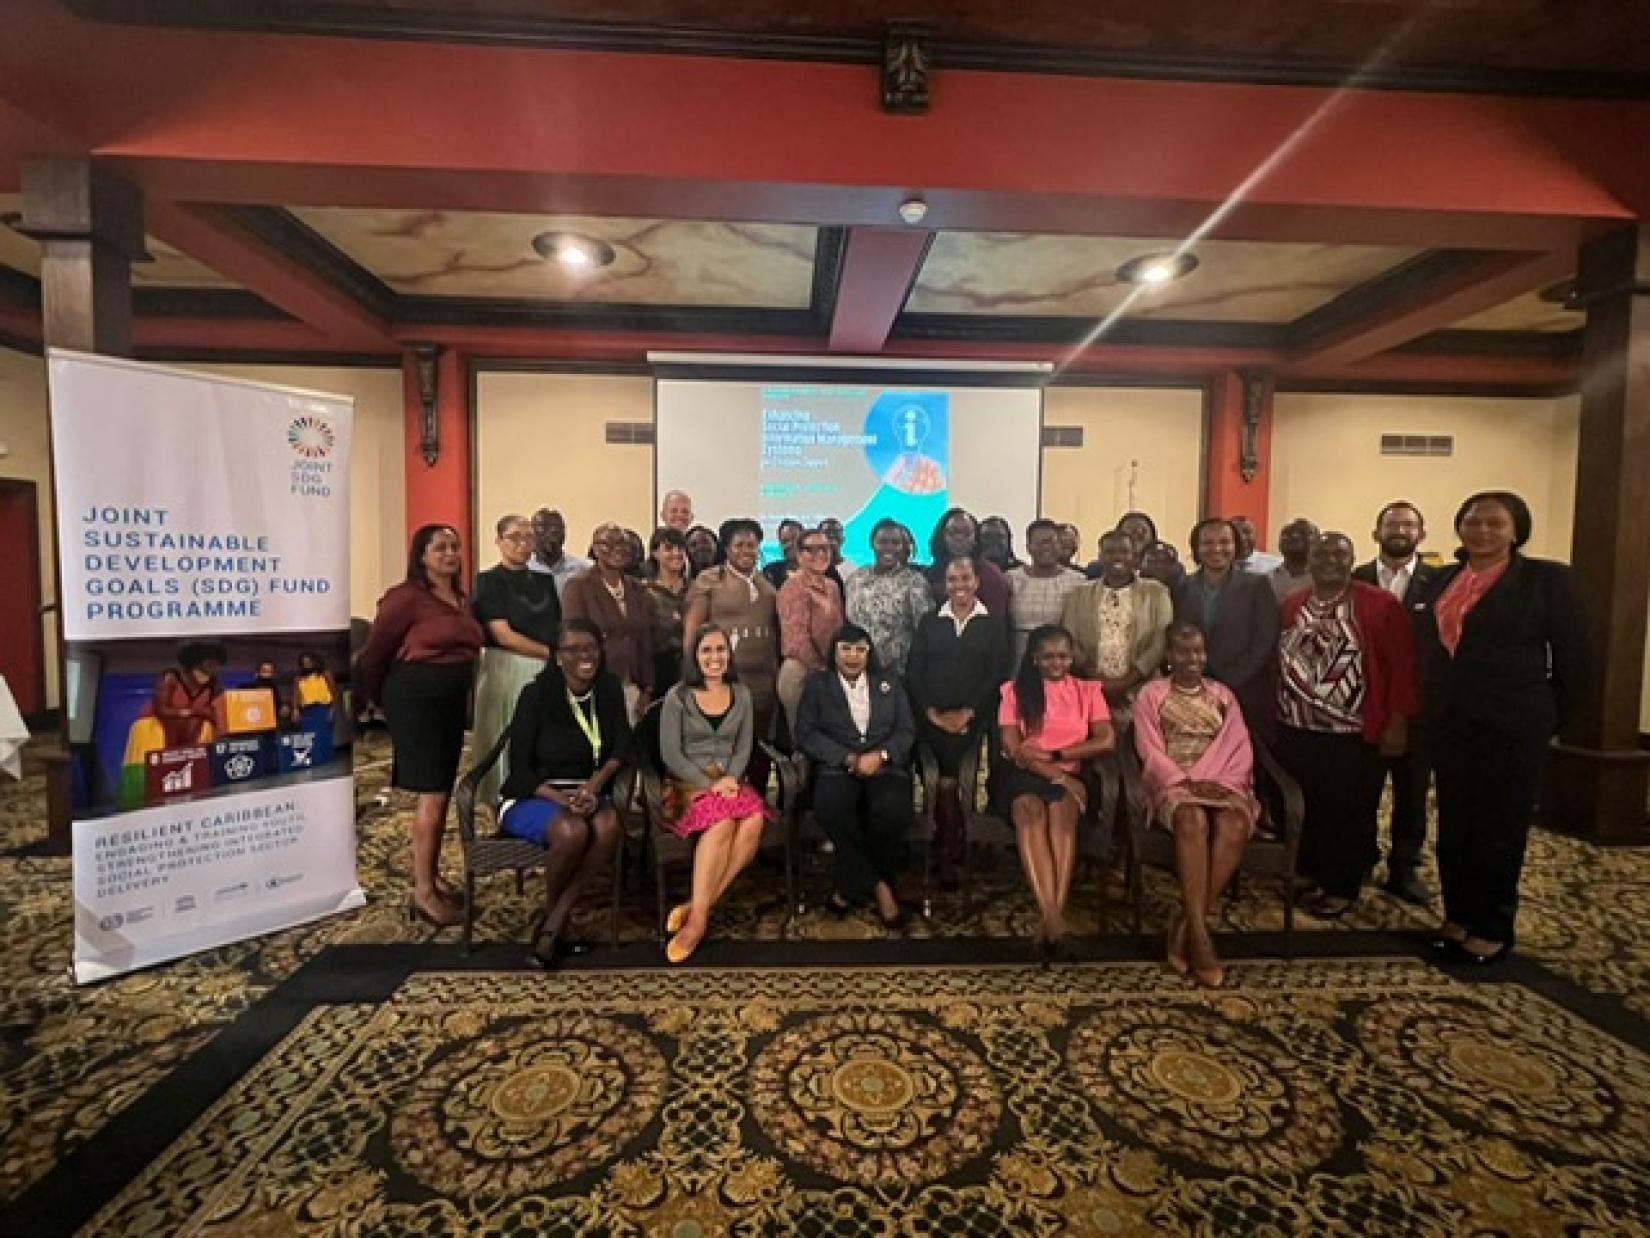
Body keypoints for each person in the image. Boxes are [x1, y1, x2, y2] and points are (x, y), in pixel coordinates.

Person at [1418, 491, 1590, 966]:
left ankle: (1492, 927)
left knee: (1500, 827)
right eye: (1473, 522)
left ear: (1516, 530)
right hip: (1453, 723)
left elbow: (1576, 659)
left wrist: (1550, 718)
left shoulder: (1546, 581)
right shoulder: (1445, 579)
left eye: (1495, 523)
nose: (1482, 531)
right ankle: (1457, 916)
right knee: (1456, 824)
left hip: (1513, 724)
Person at [1275, 532, 1418, 919]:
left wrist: (1398, 721)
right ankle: (1312, 870)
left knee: (1350, 808)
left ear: (1353, 559)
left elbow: (1402, 666)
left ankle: (1343, 884)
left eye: (1340, 554)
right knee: (1310, 804)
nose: (1329, 561)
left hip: (1354, 731)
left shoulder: (1379, 605)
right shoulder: (1294, 603)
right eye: (1321, 554)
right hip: (1299, 725)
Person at [358, 523, 485, 929]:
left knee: (442, 789)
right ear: (422, 555)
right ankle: (424, 892)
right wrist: (377, 701)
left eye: (455, 547)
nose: (450, 554)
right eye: (441, 548)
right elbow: (373, 655)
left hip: (448, 702)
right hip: (416, 700)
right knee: (431, 793)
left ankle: (429, 876)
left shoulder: (460, 598)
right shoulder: (405, 598)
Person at [1132, 621, 1261, 987]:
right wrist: (1186, 781)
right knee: (1192, 820)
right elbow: (1149, 750)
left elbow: (1238, 748)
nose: (1193, 659)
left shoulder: (1223, 695)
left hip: (1223, 781)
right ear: (1169, 656)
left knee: (1234, 823)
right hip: (1174, 783)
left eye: (1199, 652)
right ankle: (1201, 938)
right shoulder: (1152, 694)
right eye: (1184, 652)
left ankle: (1188, 922)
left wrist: (1220, 782)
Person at [498, 618, 630, 968]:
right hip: (535, 795)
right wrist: (562, 800)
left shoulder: (608, 689)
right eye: (573, 650)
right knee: (572, 830)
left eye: (591, 648)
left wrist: (594, 785)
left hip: (588, 791)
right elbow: (519, 768)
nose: (584, 657)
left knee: (609, 826)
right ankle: (558, 924)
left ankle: (553, 920)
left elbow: (621, 746)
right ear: (558, 657)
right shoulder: (536, 695)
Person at [998, 624, 1115, 956]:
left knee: (1062, 817)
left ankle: (1051, 916)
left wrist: (1057, 757)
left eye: (1063, 656)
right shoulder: (1015, 691)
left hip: (1068, 769)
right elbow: (1014, 749)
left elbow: (1106, 739)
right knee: (1030, 812)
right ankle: (1053, 917)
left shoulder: (1087, 690)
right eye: (1048, 657)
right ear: (1034, 658)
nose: (1056, 663)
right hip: (1023, 775)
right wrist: (1059, 776)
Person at [658, 624, 772, 963]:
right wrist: (711, 785)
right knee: (723, 824)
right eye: (707, 651)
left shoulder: (742, 693)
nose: (715, 657)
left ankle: (696, 907)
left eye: (721, 650)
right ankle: (698, 924)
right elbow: (671, 754)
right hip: (687, 783)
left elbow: (743, 747)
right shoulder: (678, 696)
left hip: (730, 780)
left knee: (752, 821)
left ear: (729, 654)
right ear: (695, 656)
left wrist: (730, 779)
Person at [795, 623, 914, 928]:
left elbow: (906, 730)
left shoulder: (889, 682)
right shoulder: (818, 685)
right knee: (831, 807)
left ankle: (847, 888)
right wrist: (846, 757)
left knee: (891, 811)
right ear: (834, 653)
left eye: (860, 649)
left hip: (884, 766)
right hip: (838, 768)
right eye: (845, 649)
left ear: (869, 652)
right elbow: (806, 733)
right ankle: (881, 888)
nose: (853, 656)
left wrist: (882, 755)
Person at [1352, 500, 1439, 905]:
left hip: (1417, 707)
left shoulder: (1440, 583)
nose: (1399, 530)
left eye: (1408, 524)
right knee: (1360, 791)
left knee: (1410, 792)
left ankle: (1403, 868)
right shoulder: (1355, 579)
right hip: (1361, 704)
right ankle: (1360, 859)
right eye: (1391, 524)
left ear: (1422, 534)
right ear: (1376, 533)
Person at [906, 554, 1011, 882]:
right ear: (944, 584)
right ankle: (949, 840)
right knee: (937, 772)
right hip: (930, 715)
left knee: (952, 773)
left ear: (977, 582)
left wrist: (969, 712)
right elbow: (914, 672)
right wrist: (931, 712)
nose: (959, 586)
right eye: (953, 580)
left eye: (966, 578)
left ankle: (948, 844)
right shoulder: (929, 621)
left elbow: (996, 674)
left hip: (973, 716)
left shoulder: (992, 623)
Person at [472, 513, 560, 802]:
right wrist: (551, 655)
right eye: (514, 538)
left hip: (545, 668)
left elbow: (557, 626)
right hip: (506, 667)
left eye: (528, 538)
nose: (522, 545)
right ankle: (502, 800)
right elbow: (502, 635)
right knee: (503, 735)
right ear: (499, 541)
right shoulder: (488, 581)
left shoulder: (545, 581)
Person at [683, 518, 780, 780]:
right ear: (726, 548)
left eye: (752, 545)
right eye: (739, 545)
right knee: (724, 748)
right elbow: (692, 632)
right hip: (722, 680)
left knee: (759, 749)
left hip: (762, 683)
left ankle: (757, 804)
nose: (746, 550)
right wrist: (694, 677)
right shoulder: (709, 580)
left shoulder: (767, 583)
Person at [1174, 517, 1279, 734]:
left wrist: (1229, 682)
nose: (1216, 549)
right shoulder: (1182, 587)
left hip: (1244, 691)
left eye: (1224, 542)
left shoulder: (1257, 585)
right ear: (1196, 548)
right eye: (1208, 543)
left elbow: (1264, 641)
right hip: (1192, 690)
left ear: (1235, 546)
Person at [1062, 530, 1173, 717]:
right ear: (1100, 557)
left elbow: (1161, 641)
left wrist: (1126, 682)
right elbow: (1069, 638)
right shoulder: (1078, 594)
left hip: (1142, 688)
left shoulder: (1156, 592)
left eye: (1124, 551)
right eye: (1110, 551)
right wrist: (1099, 681)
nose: (1117, 557)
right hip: (1089, 687)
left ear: (1135, 557)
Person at [561, 522, 654, 719]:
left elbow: (644, 640)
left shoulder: (637, 589)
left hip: (633, 687)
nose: (617, 549)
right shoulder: (578, 586)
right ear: (594, 548)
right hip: (595, 685)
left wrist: (647, 689)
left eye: (622, 543)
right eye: (608, 543)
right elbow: (574, 641)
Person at [776, 527, 845, 738]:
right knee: (805, 739)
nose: (820, 555)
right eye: (811, 550)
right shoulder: (792, 587)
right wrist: (825, 671)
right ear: (798, 555)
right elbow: (798, 641)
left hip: (829, 671)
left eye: (824, 548)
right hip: (801, 674)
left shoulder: (832, 586)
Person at [844, 517, 933, 676]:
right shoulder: (855, 579)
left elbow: (925, 631)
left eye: (895, 543)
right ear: (872, 543)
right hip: (857, 669)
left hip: (898, 674)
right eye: (883, 542)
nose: (889, 547)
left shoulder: (915, 582)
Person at [1007, 519, 1087, 662]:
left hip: (1059, 661)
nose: (1047, 547)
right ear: (1028, 547)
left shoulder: (1077, 581)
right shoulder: (1012, 578)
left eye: (1051, 541)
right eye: (1040, 543)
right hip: (1018, 658)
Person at [925, 507, 1011, 618]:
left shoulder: (991, 575)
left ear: (976, 537)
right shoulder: (931, 573)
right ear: (942, 536)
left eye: (966, 533)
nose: (959, 538)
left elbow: (996, 622)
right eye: (953, 532)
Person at [148, 641, 230, 747]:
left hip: (190, 740)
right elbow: (160, 710)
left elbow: (218, 715)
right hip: (156, 734)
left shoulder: (213, 686)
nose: (206, 677)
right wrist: (194, 712)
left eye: (210, 673)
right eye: (202, 672)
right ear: (191, 667)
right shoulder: (171, 678)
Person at [644, 526, 691, 689]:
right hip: (657, 669)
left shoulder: (696, 588)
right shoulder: (644, 591)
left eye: (680, 548)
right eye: (669, 549)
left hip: (691, 667)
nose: (676, 554)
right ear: (655, 553)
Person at [527, 507, 589, 591]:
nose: (553, 530)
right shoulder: (521, 569)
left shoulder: (582, 570)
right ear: (531, 533)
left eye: (558, 526)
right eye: (544, 526)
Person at [290, 650, 339, 747]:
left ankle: (326, 759)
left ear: (315, 661)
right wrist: (295, 710)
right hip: (307, 712)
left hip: (323, 709)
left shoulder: (325, 674)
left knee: (324, 736)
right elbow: (296, 695)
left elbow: (334, 693)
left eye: (309, 661)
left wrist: (332, 710)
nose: (307, 664)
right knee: (309, 737)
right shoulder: (298, 679)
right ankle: (314, 760)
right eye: (304, 662)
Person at [1269, 518, 1319, 601]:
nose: (1294, 536)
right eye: (1286, 534)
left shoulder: (1324, 579)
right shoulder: (1268, 579)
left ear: (1317, 542)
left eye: (1303, 533)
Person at [762, 518, 804, 589]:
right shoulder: (771, 571)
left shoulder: (818, 570)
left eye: (794, 539)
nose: (790, 544)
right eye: (785, 541)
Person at [819, 517, 849, 594]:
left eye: (836, 532)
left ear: (843, 539)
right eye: (827, 532)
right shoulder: (809, 569)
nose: (831, 535)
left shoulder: (853, 571)